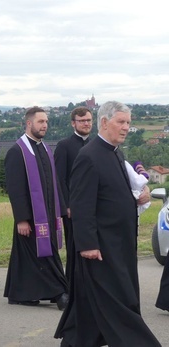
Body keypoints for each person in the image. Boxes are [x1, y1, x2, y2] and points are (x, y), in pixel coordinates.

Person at [55, 101, 160, 346]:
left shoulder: (115, 153)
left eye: (128, 123)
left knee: (91, 306)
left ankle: (76, 340)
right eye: (121, 122)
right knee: (119, 304)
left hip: (118, 243)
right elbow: (81, 204)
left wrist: (136, 198)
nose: (126, 128)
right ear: (104, 123)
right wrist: (88, 244)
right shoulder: (89, 156)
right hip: (101, 247)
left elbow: (110, 195)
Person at [4, 106, 68, 310]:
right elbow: (15, 188)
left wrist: (62, 208)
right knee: (45, 256)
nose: (45, 125)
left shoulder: (44, 148)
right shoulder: (18, 151)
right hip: (31, 217)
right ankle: (61, 292)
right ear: (29, 123)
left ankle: (19, 293)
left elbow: (54, 182)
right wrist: (21, 219)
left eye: (46, 122)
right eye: (41, 122)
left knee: (27, 257)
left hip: (48, 214)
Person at [54, 106, 92, 285]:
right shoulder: (64, 146)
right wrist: (66, 205)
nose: (86, 123)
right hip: (73, 208)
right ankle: (72, 285)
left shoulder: (95, 145)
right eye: (82, 120)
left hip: (93, 206)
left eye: (89, 120)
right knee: (74, 247)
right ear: (73, 123)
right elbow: (59, 178)